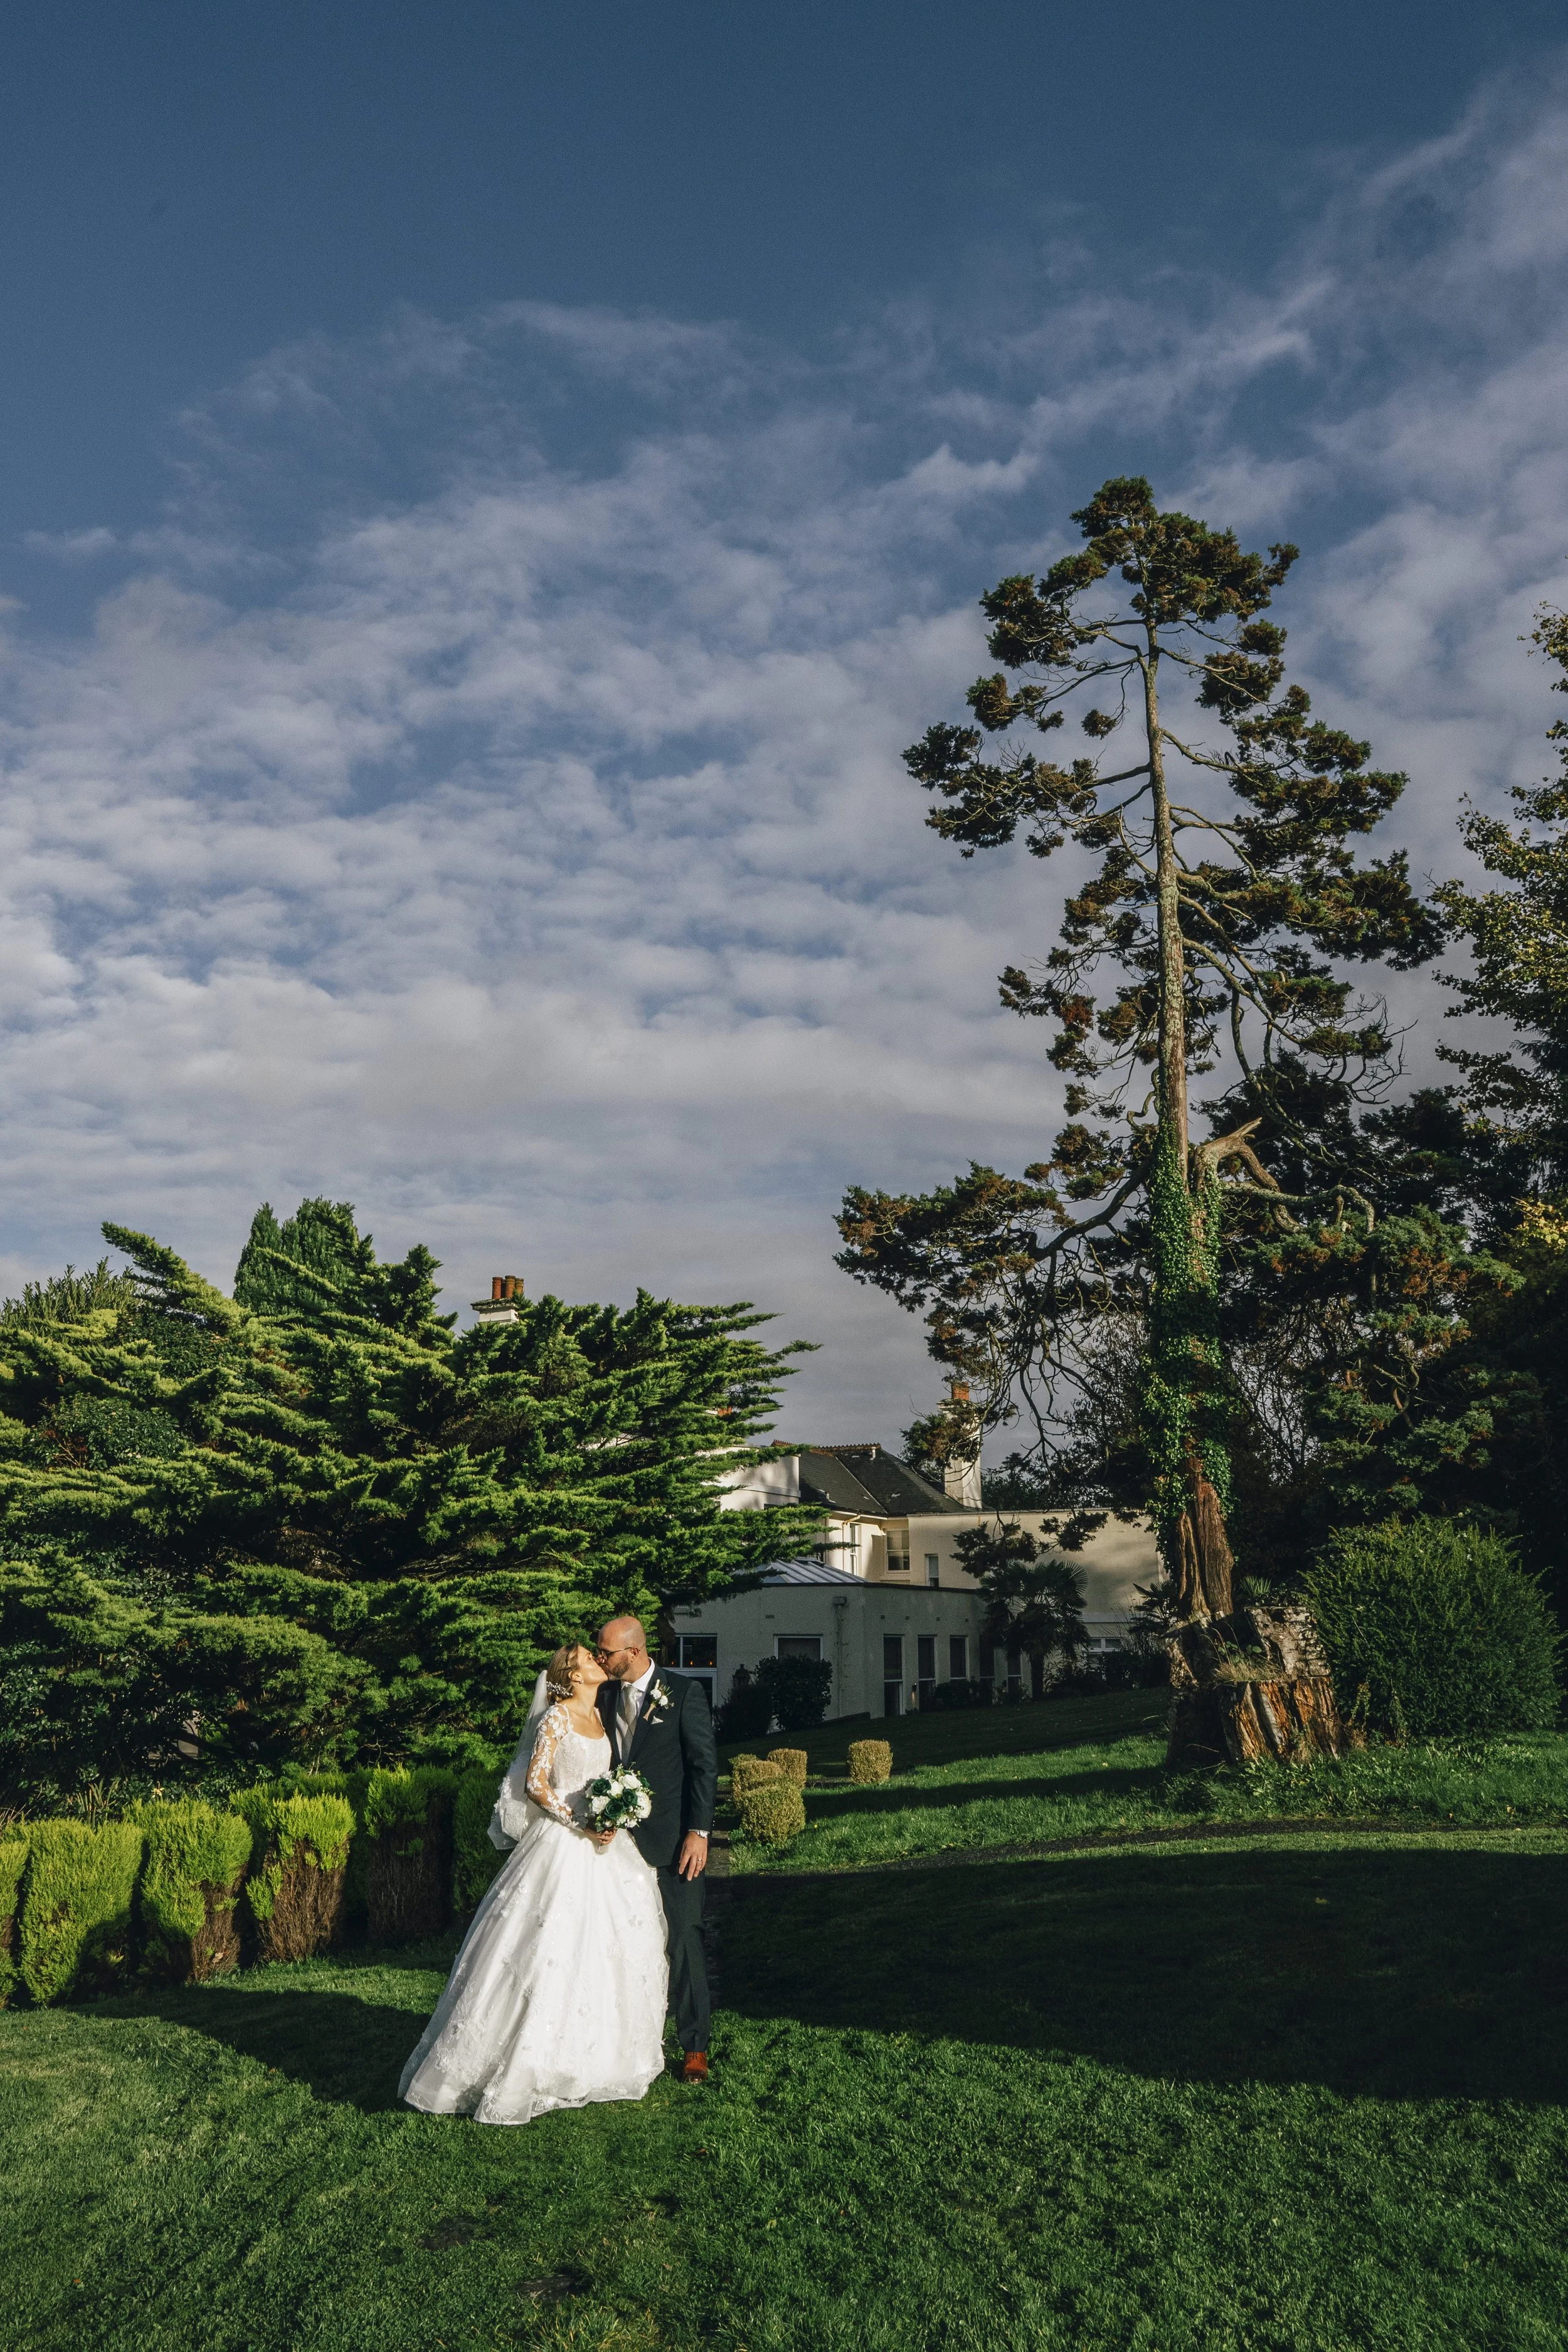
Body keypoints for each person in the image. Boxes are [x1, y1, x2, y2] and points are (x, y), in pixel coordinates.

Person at [398, 1641, 668, 2127]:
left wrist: (613, 1811)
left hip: (603, 1847)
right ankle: (521, 2059)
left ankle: (598, 2057)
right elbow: (536, 1785)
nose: (597, 1662)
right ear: (572, 1674)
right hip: (563, 1843)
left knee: (605, 1949)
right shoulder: (557, 1718)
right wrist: (579, 1821)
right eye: (589, 1658)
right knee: (546, 1948)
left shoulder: (602, 1717)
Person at [595, 1614, 718, 2083]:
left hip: (674, 1843)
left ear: (634, 1651)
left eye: (607, 1652)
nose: (601, 1659)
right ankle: (629, 2039)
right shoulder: (604, 1695)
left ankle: (695, 2048)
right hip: (617, 1847)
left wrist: (698, 1832)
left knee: (684, 1937)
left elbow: (704, 1767)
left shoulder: (684, 1693)